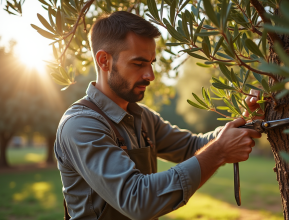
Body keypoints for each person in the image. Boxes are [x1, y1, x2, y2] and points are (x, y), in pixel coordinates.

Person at [54, 11, 263, 220]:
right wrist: (219, 152)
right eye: (138, 64)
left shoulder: (143, 118)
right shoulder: (80, 125)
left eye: (151, 63)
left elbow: (192, 147)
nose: (150, 75)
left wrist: (246, 122)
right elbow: (137, 200)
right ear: (104, 60)